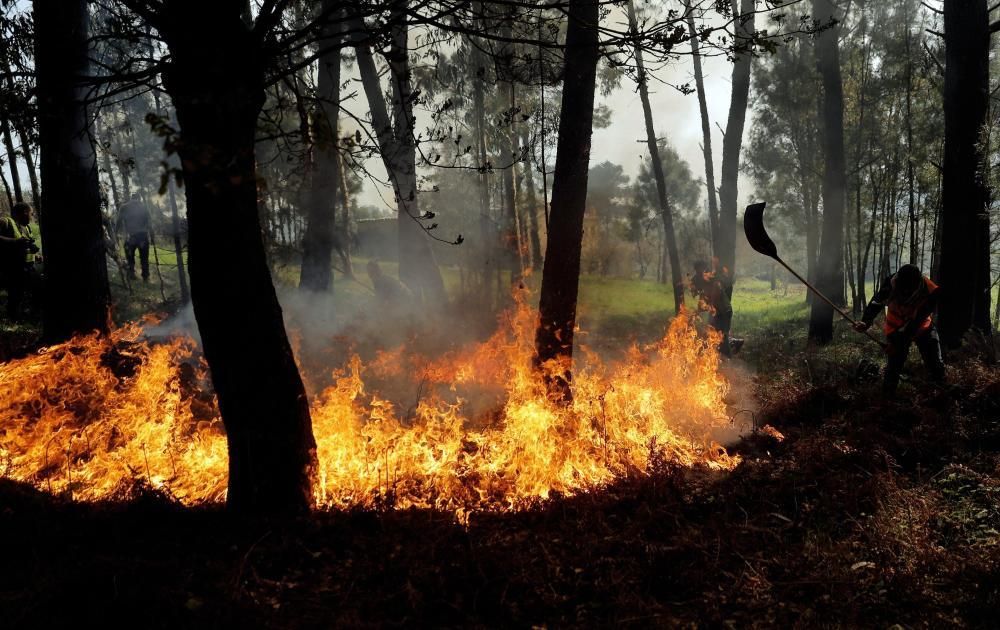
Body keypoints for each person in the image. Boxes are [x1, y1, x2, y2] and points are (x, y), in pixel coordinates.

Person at [854, 263, 945, 395]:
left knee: (936, 364)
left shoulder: (931, 291)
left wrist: (897, 343)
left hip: (922, 328)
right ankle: (887, 401)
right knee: (894, 367)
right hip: (894, 328)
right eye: (902, 288)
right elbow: (876, 302)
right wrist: (865, 322)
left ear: (917, 284)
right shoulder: (891, 283)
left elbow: (915, 323)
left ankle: (940, 396)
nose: (904, 292)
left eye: (908, 290)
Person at [690, 259, 742, 357]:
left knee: (722, 336)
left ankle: (728, 359)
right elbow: (700, 296)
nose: (699, 272)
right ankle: (734, 343)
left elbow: (715, 292)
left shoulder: (711, 278)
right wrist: (698, 311)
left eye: (701, 269)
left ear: (704, 268)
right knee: (713, 333)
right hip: (716, 312)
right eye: (697, 270)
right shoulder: (698, 279)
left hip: (725, 310)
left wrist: (710, 304)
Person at [0, 202, 41, 320]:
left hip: (27, 267)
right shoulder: (5, 221)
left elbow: (25, 245)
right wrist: (15, 242)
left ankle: (28, 315)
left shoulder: (27, 227)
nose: (31, 217)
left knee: (35, 290)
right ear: (24, 212)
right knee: (15, 294)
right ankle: (13, 318)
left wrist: (36, 254)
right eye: (31, 214)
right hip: (12, 268)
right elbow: (16, 242)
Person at [117, 193, 151, 282]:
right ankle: (145, 276)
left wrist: (116, 233)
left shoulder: (124, 207)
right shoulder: (144, 207)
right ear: (139, 199)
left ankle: (131, 274)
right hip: (143, 236)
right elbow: (149, 222)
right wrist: (151, 235)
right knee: (144, 257)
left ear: (131, 198)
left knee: (129, 256)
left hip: (130, 236)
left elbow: (119, 221)